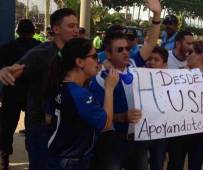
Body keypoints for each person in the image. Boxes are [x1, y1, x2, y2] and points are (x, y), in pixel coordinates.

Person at [0, 8, 79, 169]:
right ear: (56, 29)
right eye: (71, 26)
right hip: (41, 127)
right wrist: (5, 71)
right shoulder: (42, 52)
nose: (76, 30)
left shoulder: (74, 53)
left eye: (77, 26)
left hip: (63, 127)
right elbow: (17, 68)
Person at [88, 0, 161, 169]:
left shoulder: (135, 65)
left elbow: (150, 42)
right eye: (119, 50)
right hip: (112, 143)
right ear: (107, 53)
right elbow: (99, 116)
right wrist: (122, 117)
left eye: (127, 48)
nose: (126, 52)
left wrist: (157, 16)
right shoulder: (99, 79)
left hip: (138, 141)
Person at [44, 38, 118, 170]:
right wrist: (109, 88)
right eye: (94, 57)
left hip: (56, 157)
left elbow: (48, 118)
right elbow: (105, 123)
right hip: (72, 161)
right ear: (79, 62)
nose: (98, 61)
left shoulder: (59, 84)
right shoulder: (79, 94)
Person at [167, 41, 203, 170]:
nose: (187, 55)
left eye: (190, 52)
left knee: (195, 166)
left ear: (201, 55)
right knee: (175, 165)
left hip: (200, 131)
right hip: (179, 129)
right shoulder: (179, 74)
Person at [0, 19, 40, 170]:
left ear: (17, 32)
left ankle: (5, 160)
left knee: (7, 127)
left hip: (12, 90)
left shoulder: (7, 47)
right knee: (33, 129)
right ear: (34, 31)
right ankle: (33, 160)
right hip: (33, 93)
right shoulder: (39, 47)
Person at [145, 46, 168, 170]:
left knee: (157, 164)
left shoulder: (171, 82)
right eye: (149, 59)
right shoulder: (136, 78)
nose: (151, 62)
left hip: (160, 133)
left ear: (164, 64)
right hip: (141, 132)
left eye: (156, 59)